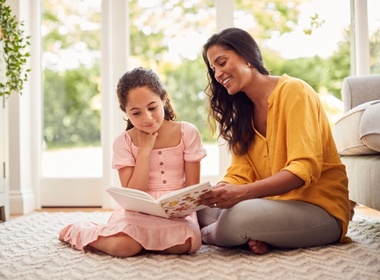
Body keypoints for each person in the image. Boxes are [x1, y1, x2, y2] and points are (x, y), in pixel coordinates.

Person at [197, 27, 351, 255]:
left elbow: (302, 170)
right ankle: (258, 235)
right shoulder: (242, 112)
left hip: (320, 210)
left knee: (240, 216)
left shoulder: (295, 91)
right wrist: (220, 191)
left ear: (247, 56)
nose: (218, 74)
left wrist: (241, 194)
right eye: (213, 68)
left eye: (222, 62)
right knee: (200, 209)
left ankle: (204, 236)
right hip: (274, 205)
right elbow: (241, 172)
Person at [59, 67, 207, 257]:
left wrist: (179, 209)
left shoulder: (187, 132)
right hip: (136, 212)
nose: (147, 118)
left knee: (187, 243)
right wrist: (144, 151)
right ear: (126, 112)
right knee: (124, 247)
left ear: (164, 98)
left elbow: (192, 190)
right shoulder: (124, 142)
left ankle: (141, 240)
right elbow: (134, 194)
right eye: (136, 113)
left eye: (152, 107)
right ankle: (81, 231)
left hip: (176, 214)